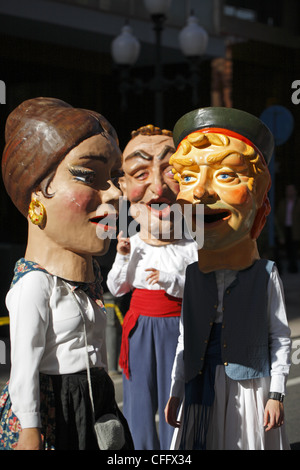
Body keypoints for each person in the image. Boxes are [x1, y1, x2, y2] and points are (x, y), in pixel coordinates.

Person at [0, 97, 133, 450]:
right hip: (56, 408)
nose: (118, 193)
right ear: (35, 194)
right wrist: (29, 427)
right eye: (90, 175)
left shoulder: (88, 279)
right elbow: (23, 367)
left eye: (116, 177)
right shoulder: (34, 286)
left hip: (94, 400)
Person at [165, 107, 291, 450]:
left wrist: (276, 393)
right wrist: (177, 388)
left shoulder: (264, 275)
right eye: (188, 178)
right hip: (199, 386)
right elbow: (184, 338)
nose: (202, 192)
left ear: (260, 203)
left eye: (226, 175)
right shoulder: (192, 274)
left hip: (249, 391)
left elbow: (279, 336)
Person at [107, 124, 198, 450]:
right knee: (138, 402)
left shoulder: (192, 244)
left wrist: (171, 280)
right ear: (124, 185)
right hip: (140, 328)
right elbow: (116, 289)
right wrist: (121, 259)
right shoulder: (131, 242)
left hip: (181, 327)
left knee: (178, 402)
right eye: (140, 172)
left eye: (171, 170)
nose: (158, 187)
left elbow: (203, 290)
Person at [277, 184, 300, 273]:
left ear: (295, 191)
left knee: (294, 248)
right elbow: (278, 217)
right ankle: (289, 267)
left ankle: (293, 267)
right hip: (285, 228)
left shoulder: (298, 202)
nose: (289, 192)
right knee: (287, 248)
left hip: (295, 228)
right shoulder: (283, 203)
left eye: (291, 190)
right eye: (288, 190)